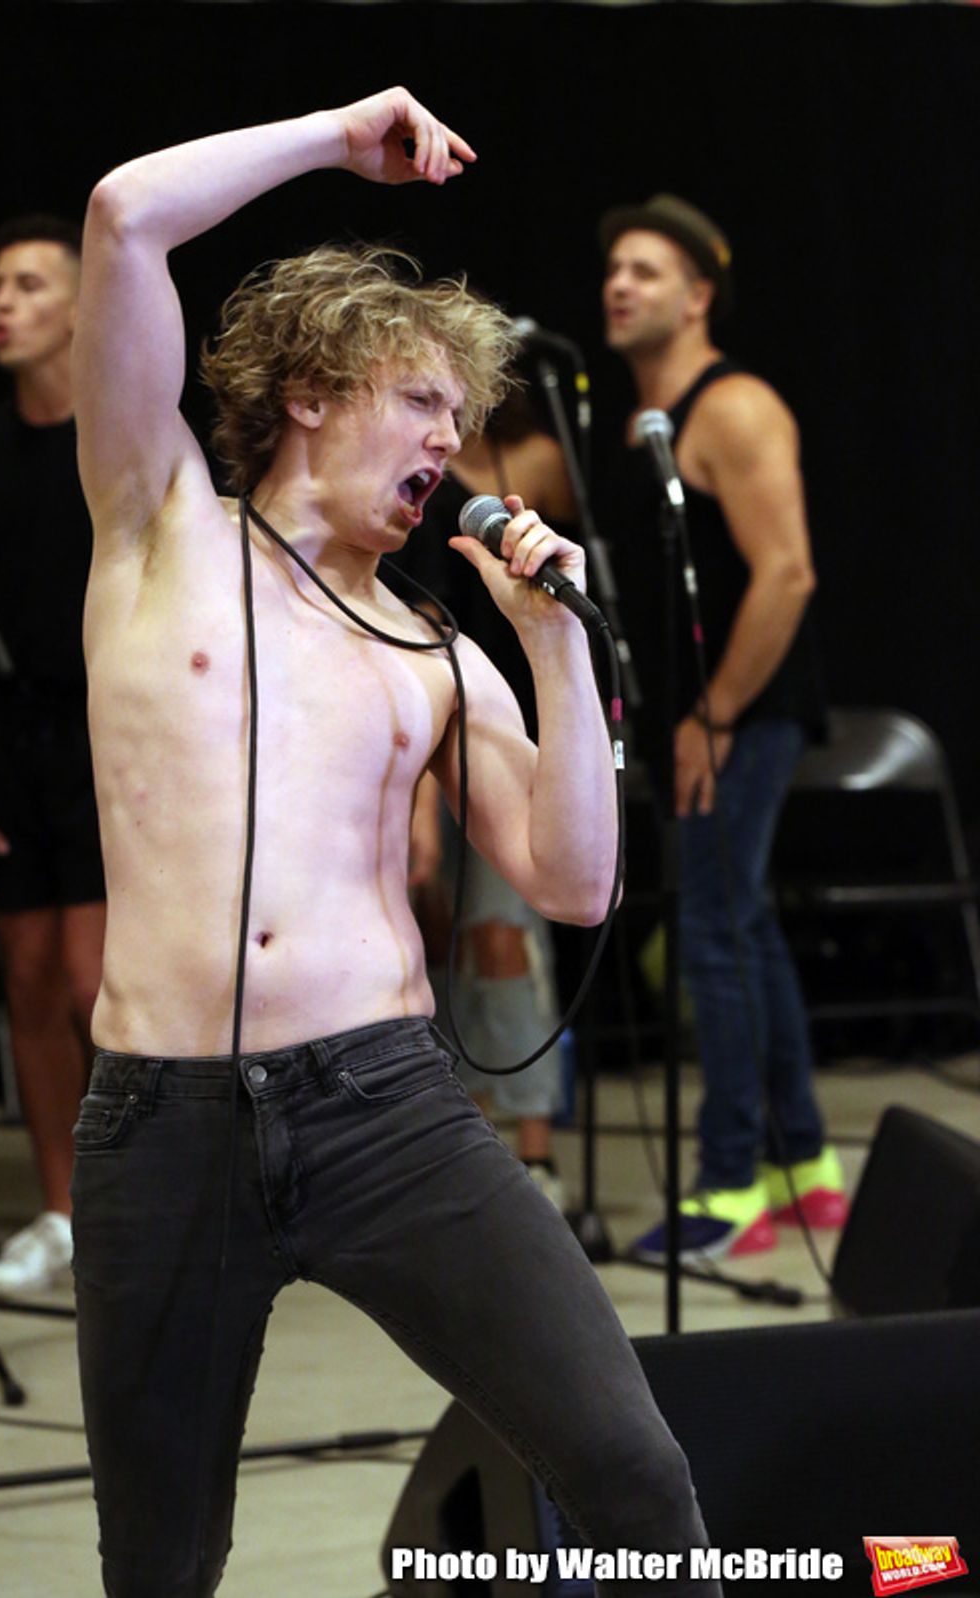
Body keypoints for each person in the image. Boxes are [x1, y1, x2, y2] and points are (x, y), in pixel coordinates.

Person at [70, 90, 721, 1598]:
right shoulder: (158, 523)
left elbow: (574, 882)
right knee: (160, 1563)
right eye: (422, 399)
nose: (452, 438)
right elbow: (123, 216)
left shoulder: (433, 642)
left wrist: (555, 649)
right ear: (312, 389)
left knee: (632, 1468)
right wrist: (331, 139)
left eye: (459, 414)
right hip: (161, 1124)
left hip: (384, 1106)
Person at [599, 193, 847, 1262]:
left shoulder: (733, 405)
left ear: (700, 295)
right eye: (613, 268)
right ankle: (806, 1167)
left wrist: (717, 711)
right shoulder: (636, 422)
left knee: (708, 928)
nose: (620, 284)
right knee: (740, 923)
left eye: (647, 271)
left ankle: (730, 1181)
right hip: (698, 713)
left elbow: (787, 571)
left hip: (742, 708)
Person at [0, 217, 106, 1295]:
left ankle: (154, 1207)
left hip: (109, 735)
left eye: (30, 283)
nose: (3, 302)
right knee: (31, 981)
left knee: (101, 982)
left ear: (83, 309)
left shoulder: (129, 437)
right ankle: (63, 1206)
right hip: (9, 736)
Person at [398, 378, 581, 1208]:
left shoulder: (525, 459)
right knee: (427, 937)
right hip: (414, 710)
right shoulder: (397, 466)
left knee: (504, 936)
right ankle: (467, 1146)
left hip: (495, 717)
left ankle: (535, 1148)